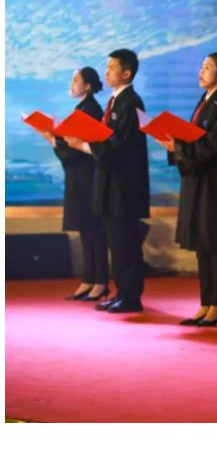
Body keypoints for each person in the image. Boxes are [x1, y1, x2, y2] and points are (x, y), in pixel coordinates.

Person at [157, 53, 217, 327]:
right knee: (203, 246)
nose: (201, 72)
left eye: (207, 68)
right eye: (201, 67)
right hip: (201, 184)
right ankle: (205, 302)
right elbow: (195, 140)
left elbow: (213, 147)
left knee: (216, 246)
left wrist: (178, 147)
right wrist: (176, 145)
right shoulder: (205, 101)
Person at [65, 49, 150, 314]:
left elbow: (117, 144)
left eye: (112, 68)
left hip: (123, 186)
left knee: (126, 243)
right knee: (116, 243)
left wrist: (84, 146)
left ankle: (131, 297)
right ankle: (121, 293)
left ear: (126, 73)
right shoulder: (116, 101)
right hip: (110, 183)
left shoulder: (130, 102)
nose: (107, 72)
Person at [39, 68, 109, 301]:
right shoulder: (82, 108)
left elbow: (76, 151)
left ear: (88, 86)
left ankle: (100, 281)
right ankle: (89, 279)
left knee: (95, 231)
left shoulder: (91, 110)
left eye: (76, 80)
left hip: (88, 176)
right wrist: (55, 139)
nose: (71, 84)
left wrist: (53, 140)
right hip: (79, 176)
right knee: (86, 230)